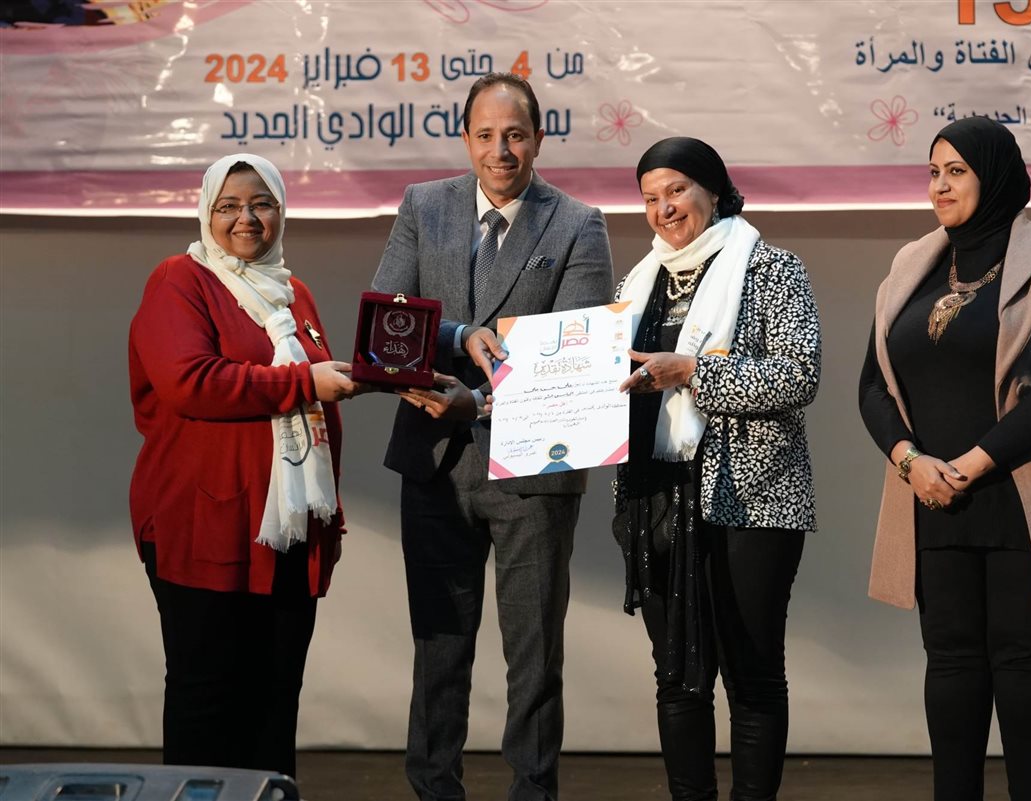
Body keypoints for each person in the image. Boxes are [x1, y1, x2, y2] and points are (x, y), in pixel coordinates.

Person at [859, 117, 1031, 801]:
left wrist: (977, 461)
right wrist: (911, 462)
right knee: (950, 665)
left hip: (1019, 494)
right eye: (933, 172)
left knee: (1024, 664)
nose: (940, 186)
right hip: (932, 495)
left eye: (957, 171)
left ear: (996, 176)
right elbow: (872, 386)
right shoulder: (910, 267)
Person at [370, 72, 613, 801]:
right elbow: (387, 321)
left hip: (534, 471)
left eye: (515, 135)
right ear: (466, 139)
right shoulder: (424, 205)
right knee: (438, 650)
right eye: (486, 135)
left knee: (533, 659)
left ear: (539, 139)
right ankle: (433, 788)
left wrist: (472, 402)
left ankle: (532, 792)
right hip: (434, 466)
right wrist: (458, 335)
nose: (500, 150)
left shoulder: (578, 224)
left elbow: (574, 360)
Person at [128, 153, 358, 778]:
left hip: (291, 530)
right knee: (208, 701)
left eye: (261, 204)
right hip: (206, 524)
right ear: (206, 213)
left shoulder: (293, 292)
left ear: (281, 211)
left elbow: (318, 405)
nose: (246, 218)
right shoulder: (180, 279)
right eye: (228, 206)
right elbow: (190, 383)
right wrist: (305, 382)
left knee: (275, 702)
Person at [613, 136, 821, 801]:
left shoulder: (771, 267)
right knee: (677, 677)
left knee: (752, 676)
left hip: (751, 499)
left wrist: (694, 372)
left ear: (713, 188)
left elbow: (798, 375)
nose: (664, 209)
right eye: (650, 198)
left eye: (676, 190)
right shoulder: (635, 284)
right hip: (655, 498)